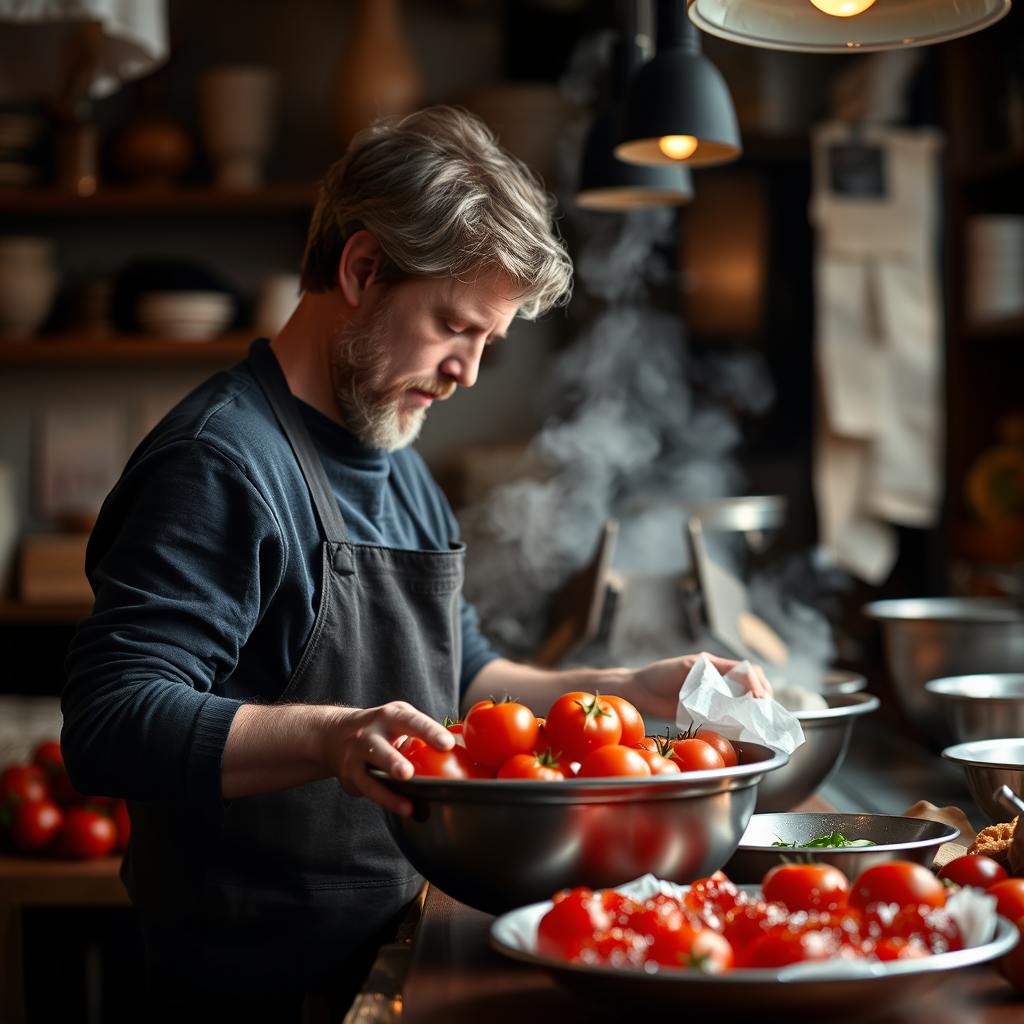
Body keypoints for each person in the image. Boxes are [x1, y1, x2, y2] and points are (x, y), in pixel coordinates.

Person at [62, 106, 770, 1022]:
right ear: (361, 269)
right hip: (255, 990)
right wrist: (332, 737)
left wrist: (630, 687)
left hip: (393, 953)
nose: (468, 372)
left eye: (487, 342)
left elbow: (463, 676)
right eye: (454, 327)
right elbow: (111, 722)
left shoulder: (396, 460)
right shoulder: (221, 462)